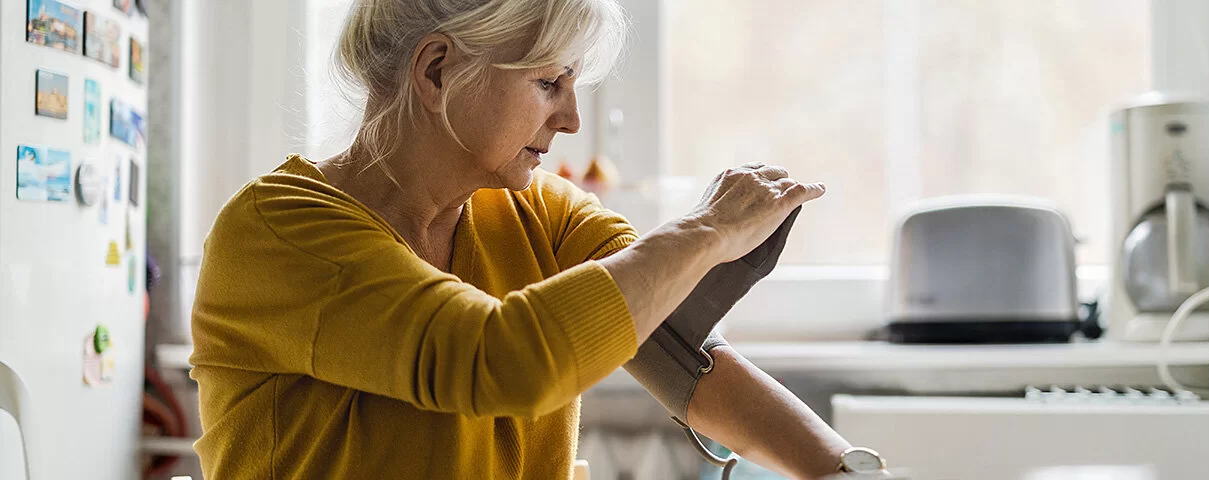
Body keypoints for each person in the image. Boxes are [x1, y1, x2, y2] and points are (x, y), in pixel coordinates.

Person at [189, 0, 885, 478]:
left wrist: (839, 468)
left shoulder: (539, 212)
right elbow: (496, 362)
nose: (573, 119)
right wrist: (705, 231)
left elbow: (673, 343)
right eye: (549, 83)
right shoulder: (278, 232)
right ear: (436, 72)